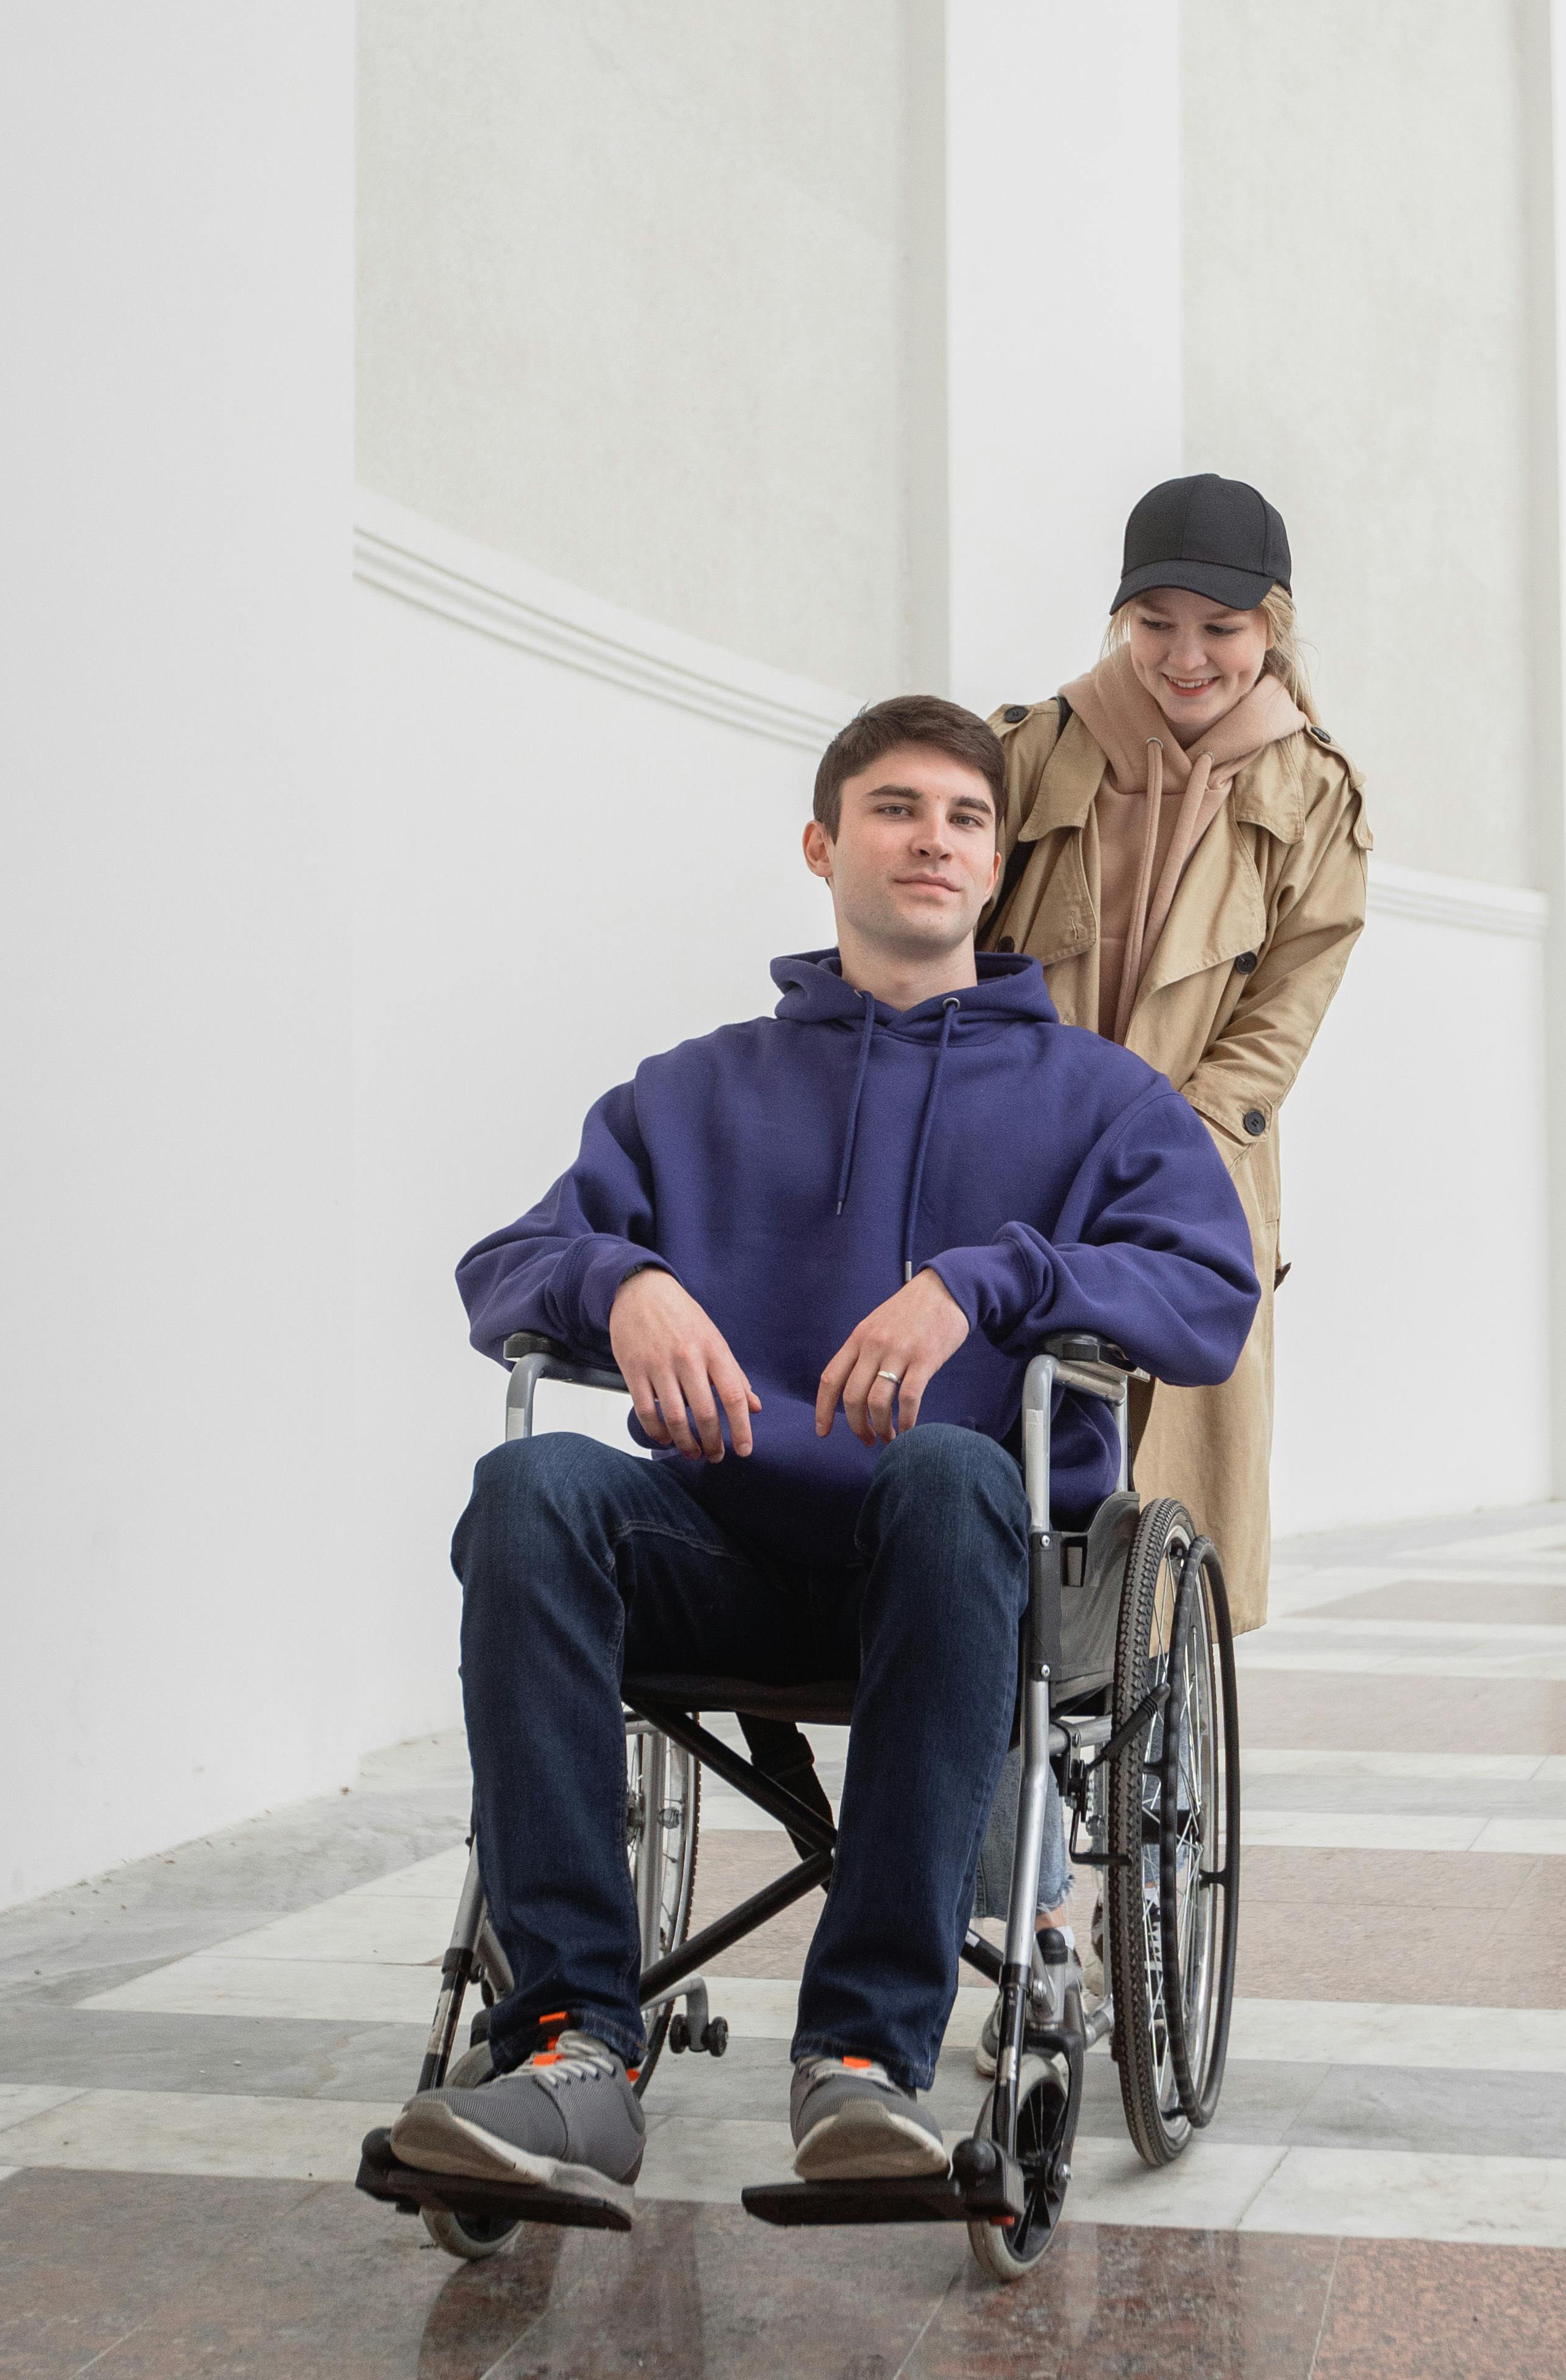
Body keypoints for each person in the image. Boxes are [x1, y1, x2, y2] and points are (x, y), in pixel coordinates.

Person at [386, 695, 1258, 2219]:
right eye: (897, 810)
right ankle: (573, 2042)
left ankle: (858, 2057)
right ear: (822, 843)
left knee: (949, 1471)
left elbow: (1206, 1297)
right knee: (527, 1489)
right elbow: (504, 1268)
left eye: (965, 821)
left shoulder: (1099, 1098)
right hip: (724, 1553)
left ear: (993, 869)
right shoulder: (692, 1090)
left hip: (959, 1573)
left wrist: (992, 1280)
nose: (934, 841)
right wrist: (622, 1283)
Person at [987, 471, 1368, 1638]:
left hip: (1190, 1174)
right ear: (1120, 618)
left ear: (1273, 625)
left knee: (1164, 1512)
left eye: (1220, 628)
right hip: (1010, 1157)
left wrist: (1161, 1149)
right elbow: (959, 939)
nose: (1184, 656)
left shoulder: (1315, 794)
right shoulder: (1035, 748)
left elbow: (1281, 1021)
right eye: (1155, 624)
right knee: (987, 1474)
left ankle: (1145, 1714)